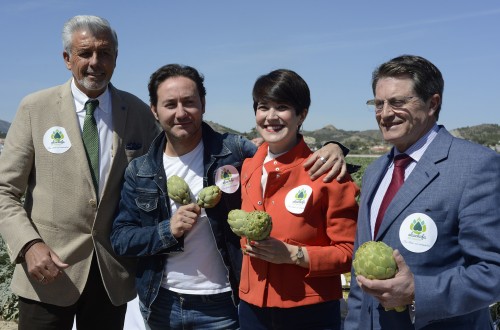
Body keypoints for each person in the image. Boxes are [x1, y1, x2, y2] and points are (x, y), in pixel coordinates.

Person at [110, 64, 350, 330]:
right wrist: (168, 230)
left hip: (225, 304)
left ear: (203, 103)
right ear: (154, 110)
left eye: (189, 102)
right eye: (170, 104)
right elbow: (121, 238)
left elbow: (283, 148)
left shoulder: (234, 152)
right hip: (161, 302)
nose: (181, 113)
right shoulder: (140, 170)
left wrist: (335, 146)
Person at [0, 15, 159, 329]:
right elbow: (5, 191)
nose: (95, 62)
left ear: (115, 58)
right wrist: (29, 246)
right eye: (85, 53)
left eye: (105, 53)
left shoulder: (138, 113)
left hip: (112, 277)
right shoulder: (35, 108)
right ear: (67, 59)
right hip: (46, 274)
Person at [344, 55, 500, 330]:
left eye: (398, 102)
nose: (385, 113)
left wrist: (418, 291)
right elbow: (361, 269)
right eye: (378, 103)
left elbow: (492, 272)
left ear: (433, 103)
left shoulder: (476, 166)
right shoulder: (375, 172)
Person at [237, 69, 360, 330]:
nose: (271, 117)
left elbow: (351, 252)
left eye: (282, 107)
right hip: (251, 308)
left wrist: (294, 255)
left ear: (301, 115)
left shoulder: (327, 173)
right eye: (263, 107)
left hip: (309, 310)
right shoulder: (248, 167)